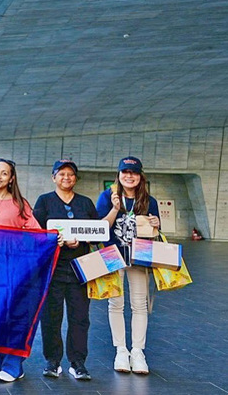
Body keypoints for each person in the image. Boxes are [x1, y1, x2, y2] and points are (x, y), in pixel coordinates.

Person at [0, 159, 41, 382]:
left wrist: (55, 237)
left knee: (15, 315)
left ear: (11, 178)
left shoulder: (19, 204)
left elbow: (37, 232)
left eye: (4, 173)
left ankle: (14, 364)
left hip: (13, 269)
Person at [33, 160, 98, 381]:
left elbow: (97, 232)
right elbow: (37, 232)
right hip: (53, 268)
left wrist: (82, 239)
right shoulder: (44, 201)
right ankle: (52, 361)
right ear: (54, 177)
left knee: (80, 317)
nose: (66, 177)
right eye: (61, 174)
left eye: (71, 174)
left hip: (81, 269)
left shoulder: (86, 203)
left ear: (76, 178)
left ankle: (78, 362)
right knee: (51, 316)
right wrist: (56, 240)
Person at [96, 156, 160, 375]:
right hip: (112, 254)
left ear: (140, 176)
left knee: (139, 304)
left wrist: (156, 223)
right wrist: (115, 208)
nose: (129, 176)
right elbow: (100, 228)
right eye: (125, 172)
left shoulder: (149, 201)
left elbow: (154, 232)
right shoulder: (107, 196)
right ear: (119, 174)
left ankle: (138, 352)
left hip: (139, 256)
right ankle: (121, 350)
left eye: (133, 172)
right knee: (115, 303)